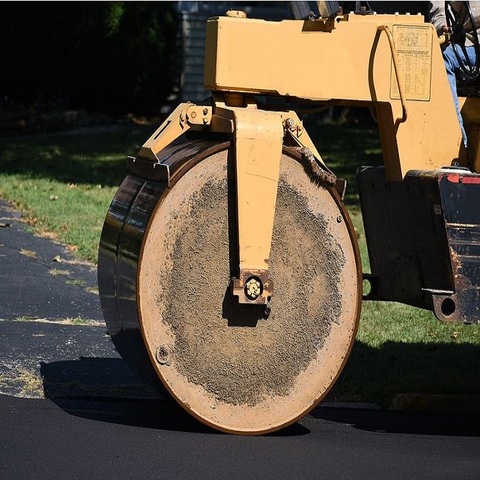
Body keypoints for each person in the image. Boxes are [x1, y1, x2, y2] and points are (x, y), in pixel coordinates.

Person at [429, 1, 480, 149]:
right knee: (442, 57)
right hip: (469, 42)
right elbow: (439, 12)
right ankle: (457, 141)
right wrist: (443, 27)